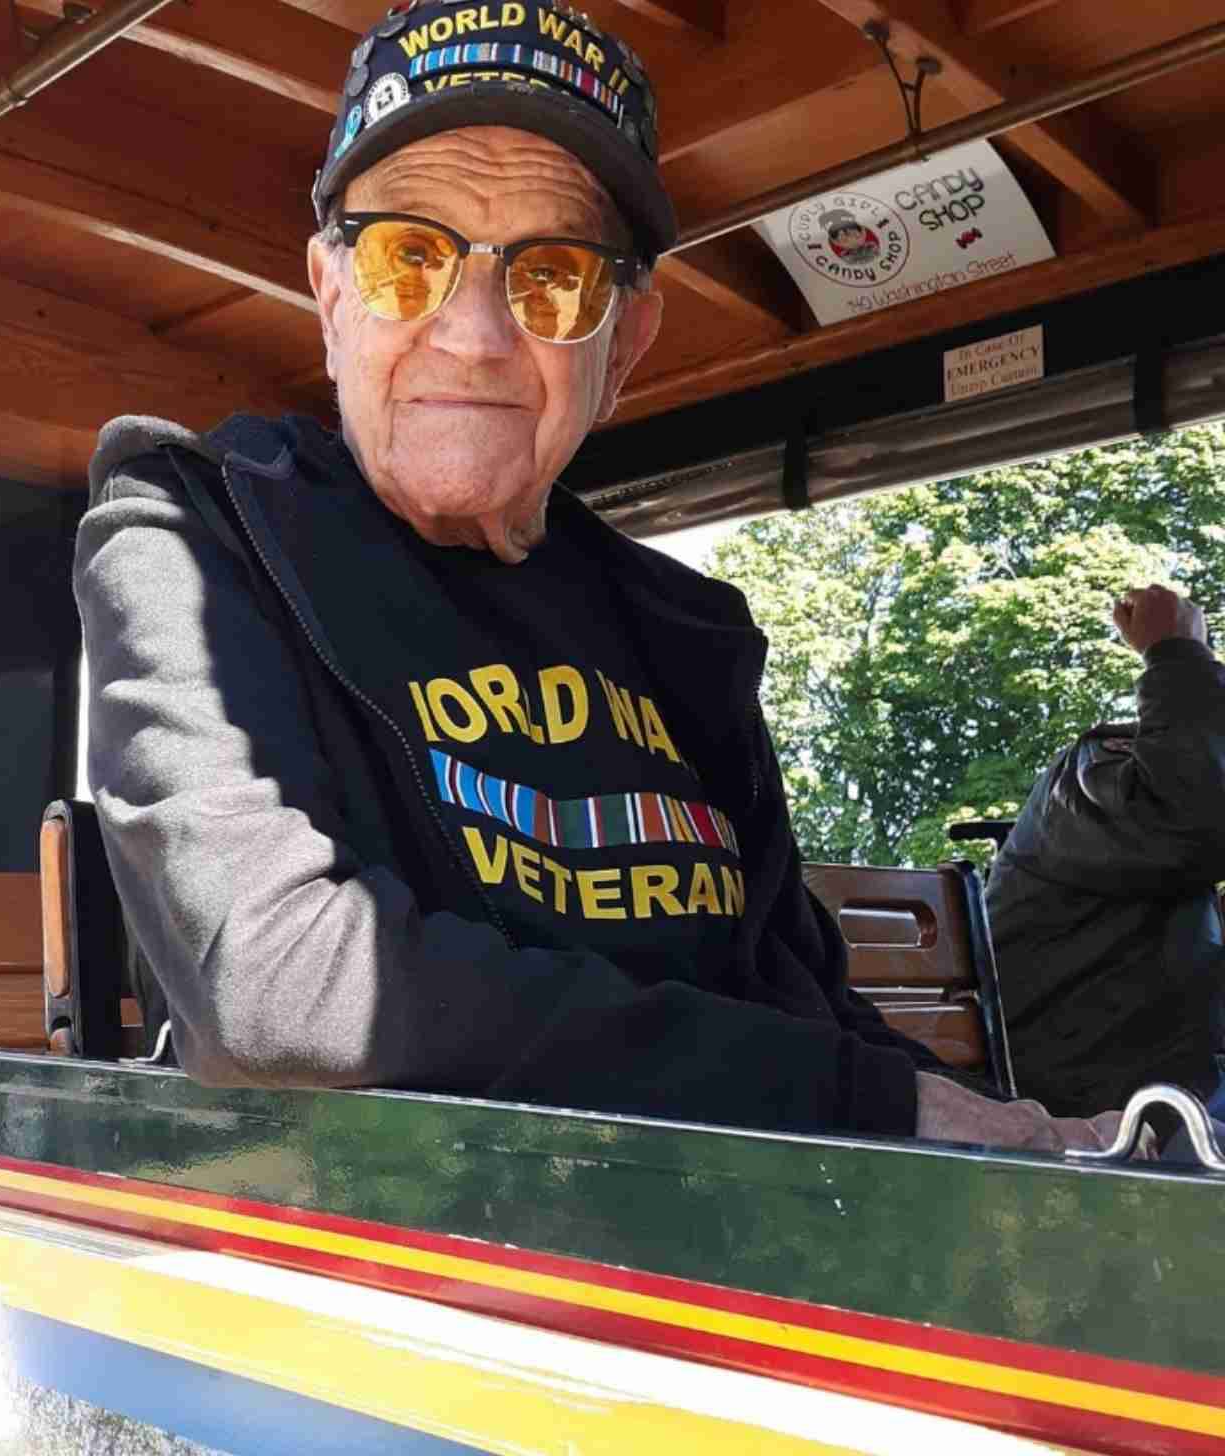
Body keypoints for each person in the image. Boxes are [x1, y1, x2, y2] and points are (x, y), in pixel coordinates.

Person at [74, 0, 1125, 1155]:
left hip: (718, 1234)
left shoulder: (684, 633)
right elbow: (268, 984)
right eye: (408, 256)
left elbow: (805, 1012)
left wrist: (1037, 1141)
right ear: (332, 298)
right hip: (370, 1264)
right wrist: (862, 1103)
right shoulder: (194, 525)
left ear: (622, 348)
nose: (471, 334)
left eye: (555, 278)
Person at [987, 584, 1225, 1122]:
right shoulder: (1090, 776)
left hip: (1172, 1094)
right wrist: (1175, 652)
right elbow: (1188, 819)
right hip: (1100, 1115)